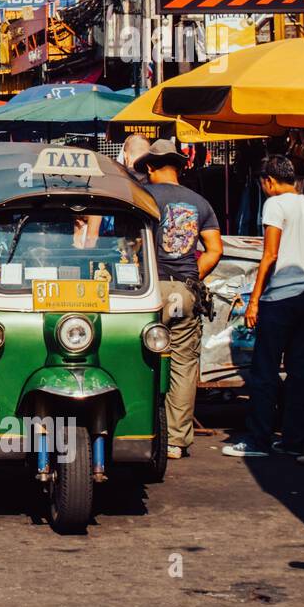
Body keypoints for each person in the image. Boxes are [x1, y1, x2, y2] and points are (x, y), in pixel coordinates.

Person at [223, 155, 304, 459]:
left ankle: (259, 440)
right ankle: (294, 441)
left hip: (279, 298)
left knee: (264, 371)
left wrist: (254, 301)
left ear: (268, 181)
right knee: (298, 371)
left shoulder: (274, 204)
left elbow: (270, 255)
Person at [134, 139, 223, 461]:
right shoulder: (200, 202)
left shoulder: (141, 197)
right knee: (183, 366)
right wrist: (190, 278)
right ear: (180, 167)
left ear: (149, 166)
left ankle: (137, 430)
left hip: (145, 291)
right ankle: (175, 441)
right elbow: (215, 249)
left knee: (137, 358)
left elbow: (127, 245)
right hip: (184, 291)